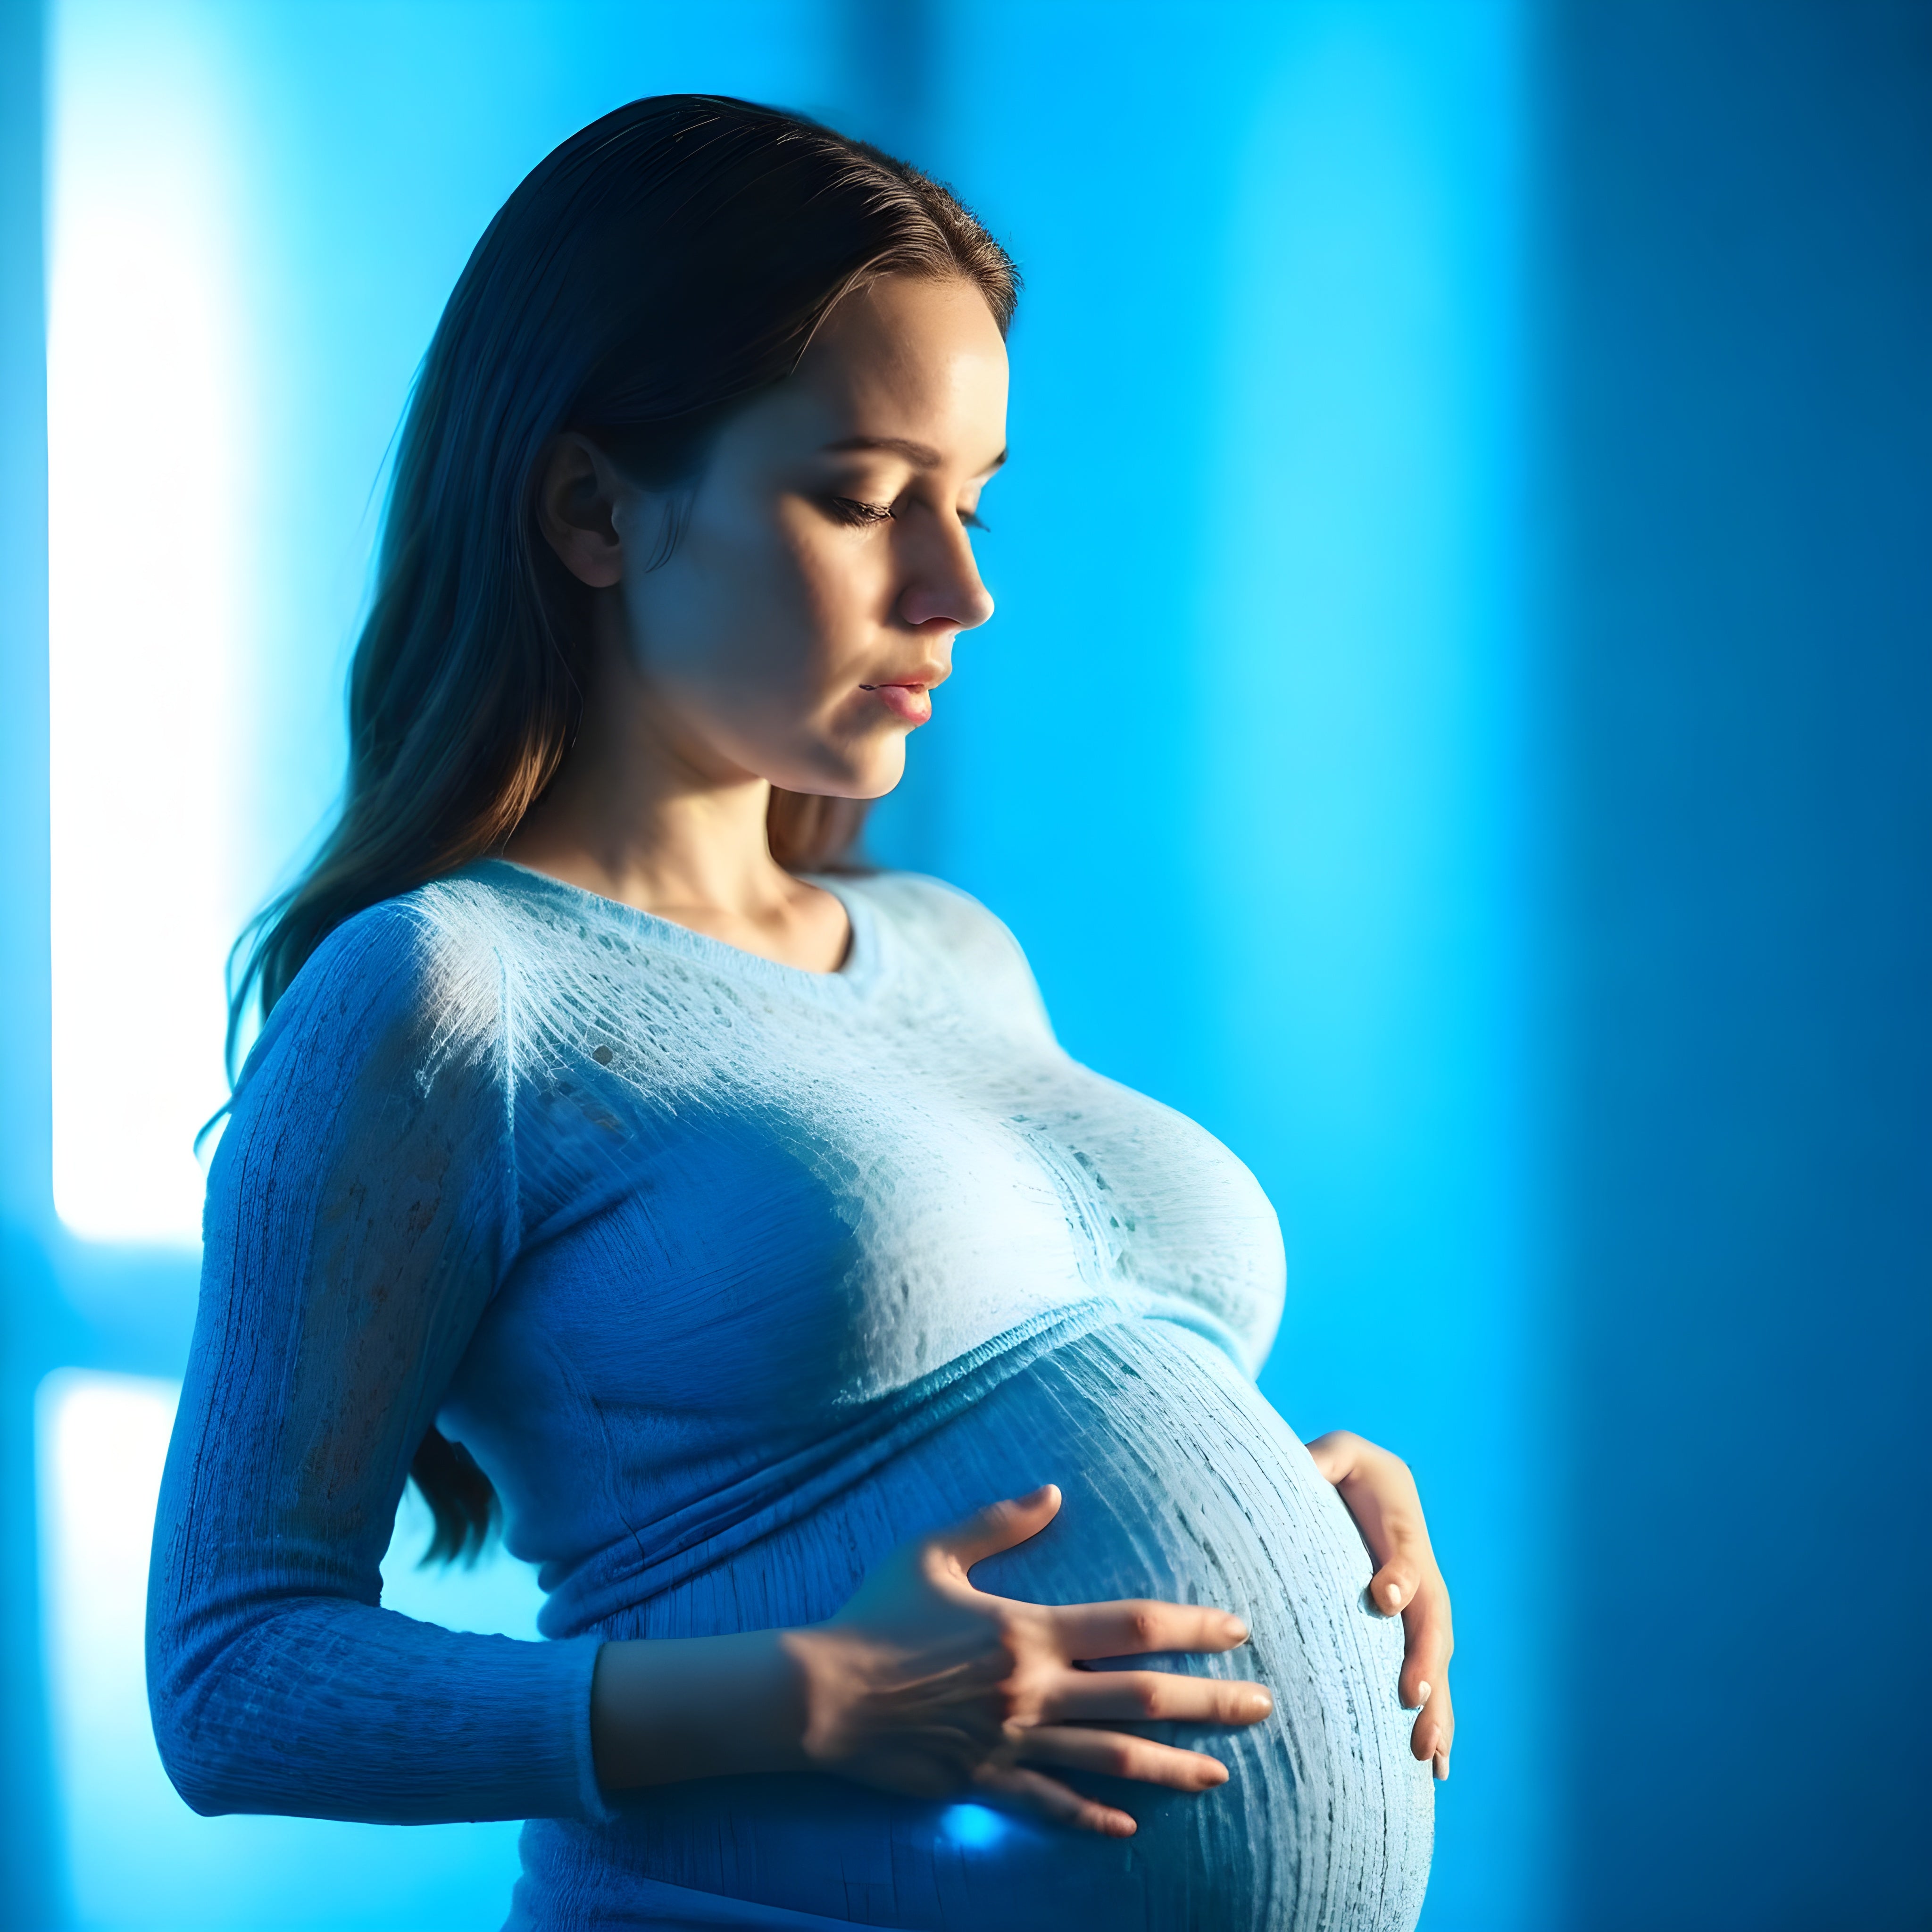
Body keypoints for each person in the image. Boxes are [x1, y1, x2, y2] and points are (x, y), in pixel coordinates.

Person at [147, 96, 1453, 1932]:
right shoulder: (446, 991)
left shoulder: (947, 947)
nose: (959, 593)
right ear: (594, 507)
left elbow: (966, 1407)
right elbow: (232, 1682)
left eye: (974, 503)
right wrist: (818, 1697)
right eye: (860, 499)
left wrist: (1302, 1522)